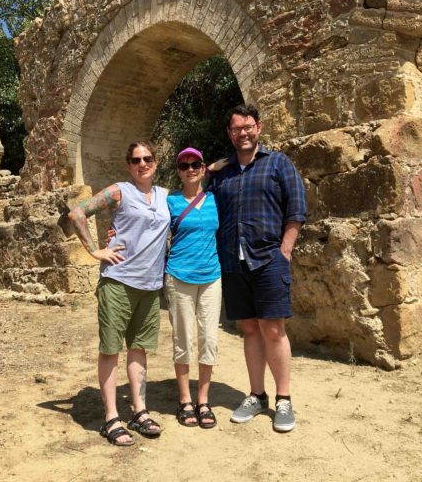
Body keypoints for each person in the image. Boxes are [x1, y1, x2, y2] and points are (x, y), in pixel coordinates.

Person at [207, 103, 306, 433]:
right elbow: (201, 205)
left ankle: (284, 399)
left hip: (268, 259)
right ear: (230, 134)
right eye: (236, 129)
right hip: (234, 263)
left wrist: (285, 251)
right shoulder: (224, 173)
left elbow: (297, 210)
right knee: (249, 330)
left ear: (258, 128)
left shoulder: (278, 163)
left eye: (248, 127)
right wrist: (208, 170)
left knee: (273, 329)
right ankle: (256, 394)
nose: (243, 133)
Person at [68, 141, 170, 447]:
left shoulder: (166, 197)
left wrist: (215, 167)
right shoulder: (119, 191)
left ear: (156, 161)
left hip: (150, 286)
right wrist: (96, 250)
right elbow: (77, 214)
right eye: (136, 160)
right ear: (129, 165)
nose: (142, 163)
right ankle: (111, 417)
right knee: (111, 349)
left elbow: (196, 195)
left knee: (139, 349)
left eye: (147, 158)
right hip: (119, 281)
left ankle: (139, 411)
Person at [164, 147, 222, 428]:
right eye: (184, 165)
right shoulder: (170, 200)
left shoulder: (215, 198)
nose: (190, 169)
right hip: (178, 276)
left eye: (195, 164)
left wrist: (214, 167)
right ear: (178, 171)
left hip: (212, 276)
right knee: (184, 340)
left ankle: (204, 400)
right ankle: (185, 400)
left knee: (209, 339)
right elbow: (147, 222)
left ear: (202, 168)